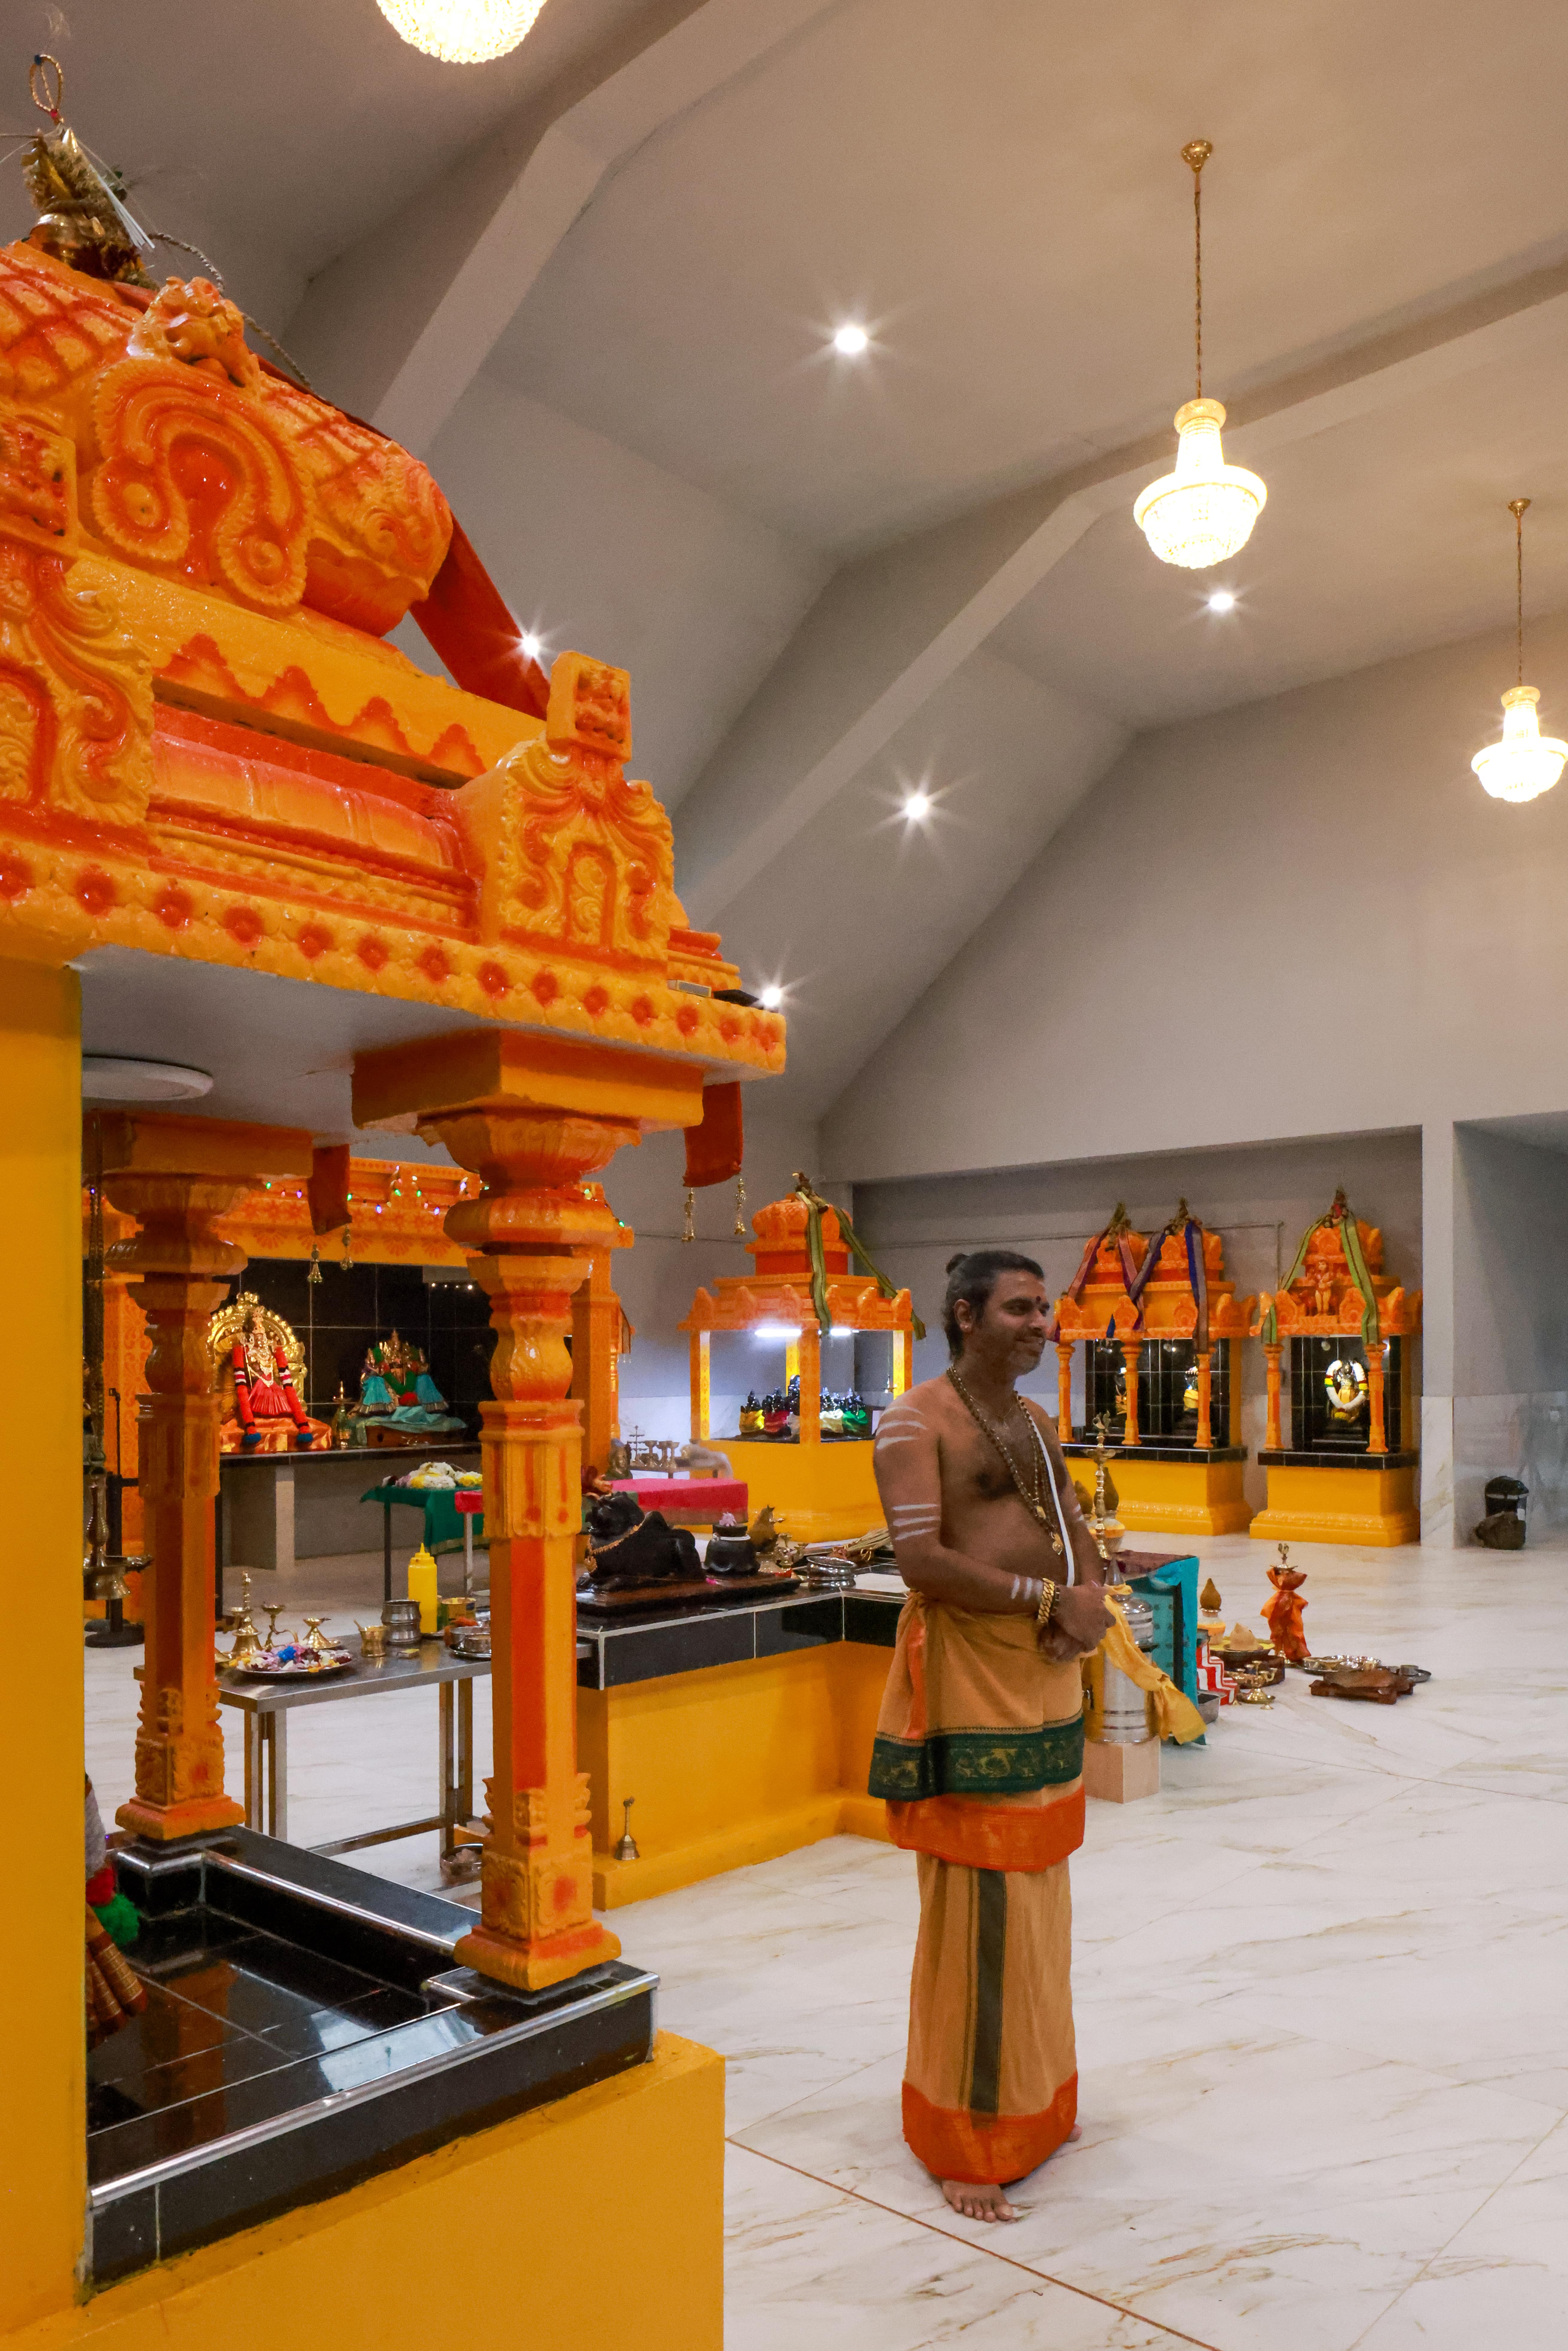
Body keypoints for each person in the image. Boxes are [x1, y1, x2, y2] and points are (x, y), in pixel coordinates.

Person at [869, 1249, 1111, 2223]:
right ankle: (963, 2138)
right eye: (1019, 1308)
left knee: (1041, 1896)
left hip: (1042, 1669)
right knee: (981, 1902)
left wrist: (1087, 1598)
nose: (1039, 1323)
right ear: (965, 1313)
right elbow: (923, 1560)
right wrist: (1048, 1596)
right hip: (969, 1670)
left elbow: (1072, 1519)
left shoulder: (1034, 1420)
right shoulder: (911, 1419)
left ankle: (1038, 2107)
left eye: (1044, 1308)